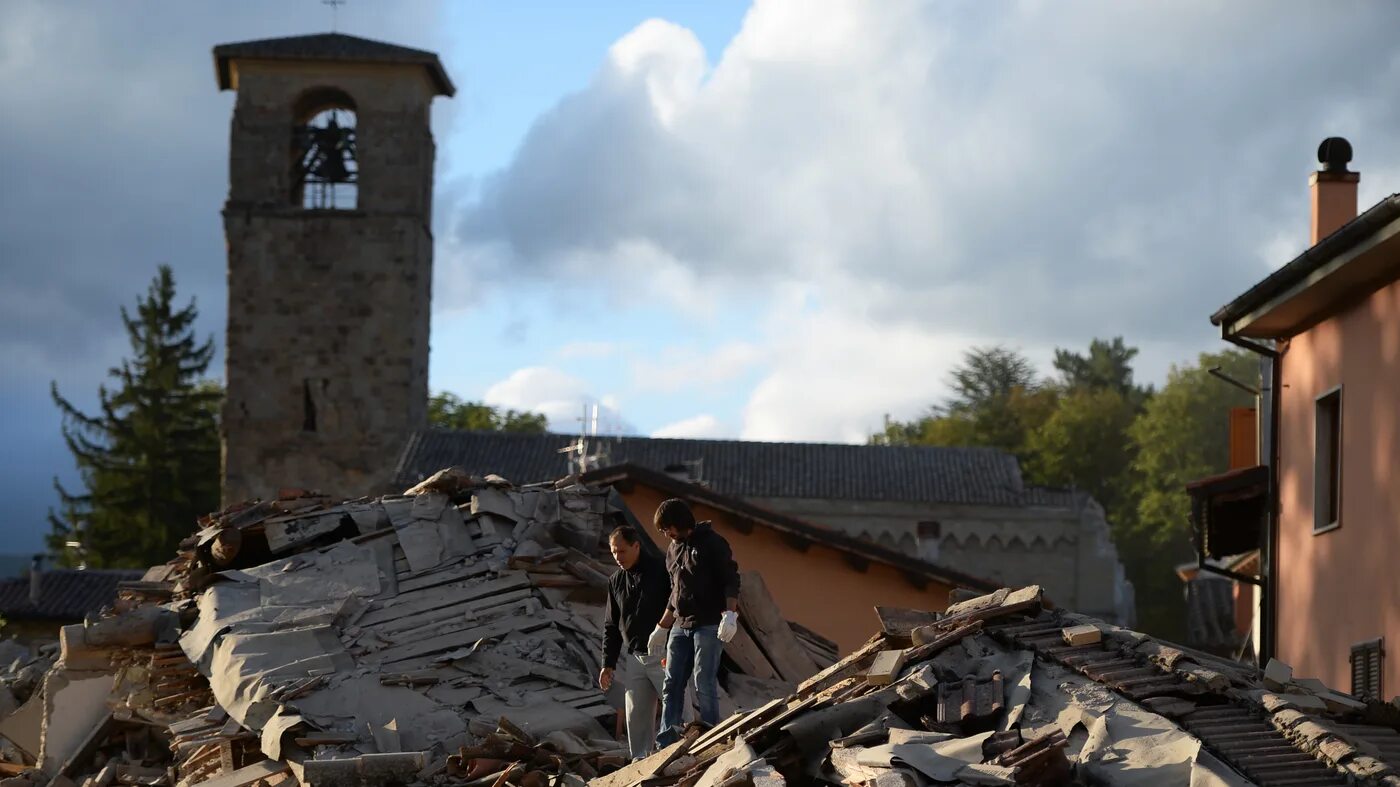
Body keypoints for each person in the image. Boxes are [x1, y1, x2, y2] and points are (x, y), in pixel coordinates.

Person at [649, 499, 741, 748]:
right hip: (681, 625)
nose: (665, 534)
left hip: (709, 624)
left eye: (666, 528)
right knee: (672, 682)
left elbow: (731, 580)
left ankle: (710, 737)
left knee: (704, 681)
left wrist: (730, 615)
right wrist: (662, 627)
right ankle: (667, 740)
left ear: (677, 523)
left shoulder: (713, 543)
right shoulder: (672, 550)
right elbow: (674, 592)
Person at [599, 525, 671, 761]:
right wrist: (607, 664)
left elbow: (677, 606)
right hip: (635, 656)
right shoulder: (616, 580)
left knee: (676, 710)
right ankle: (641, 763)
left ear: (636, 546)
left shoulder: (661, 570)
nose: (618, 557)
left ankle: (685, 755)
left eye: (622, 551)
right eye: (613, 552)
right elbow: (611, 625)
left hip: (664, 652)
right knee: (636, 716)